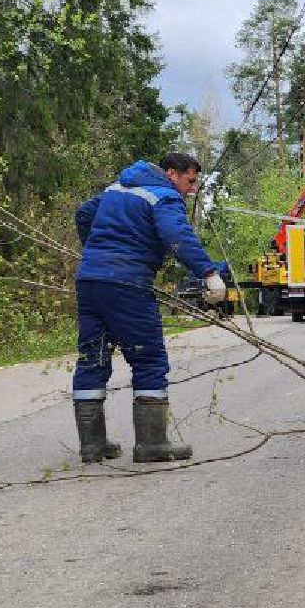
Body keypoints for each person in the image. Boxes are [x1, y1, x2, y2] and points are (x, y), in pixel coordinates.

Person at [70, 152, 226, 463]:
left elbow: (83, 215)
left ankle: (92, 446)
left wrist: (99, 251)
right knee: (149, 359)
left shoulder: (118, 188)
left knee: (92, 358)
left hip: (89, 280)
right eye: (190, 181)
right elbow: (176, 236)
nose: (192, 189)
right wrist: (209, 274)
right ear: (172, 173)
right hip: (127, 284)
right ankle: (152, 445)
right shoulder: (163, 196)